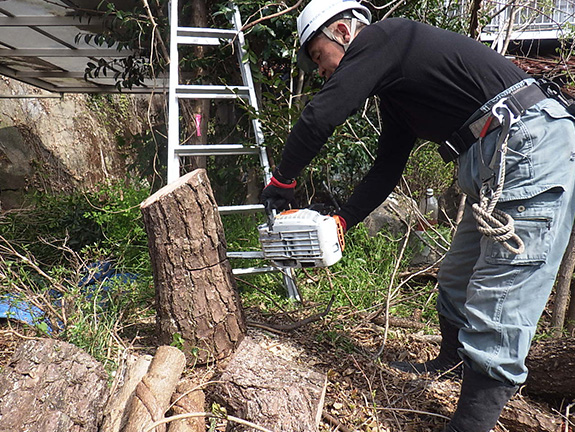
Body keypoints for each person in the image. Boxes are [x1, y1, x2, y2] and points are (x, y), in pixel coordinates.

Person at [260, 0, 575, 430]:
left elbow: (322, 115)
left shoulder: (384, 38)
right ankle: (450, 365)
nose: (320, 70)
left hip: (528, 148)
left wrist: (282, 181)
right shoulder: (397, 88)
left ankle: (468, 425)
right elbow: (387, 167)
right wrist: (345, 219)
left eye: (318, 56)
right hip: (498, 158)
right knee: (458, 278)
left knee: (499, 300)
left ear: (343, 32)